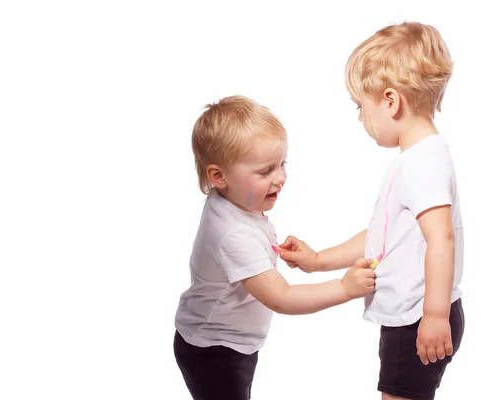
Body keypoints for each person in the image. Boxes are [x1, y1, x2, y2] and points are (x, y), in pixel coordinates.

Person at [279, 22, 465, 400]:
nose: (361, 118)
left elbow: (441, 239)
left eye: (361, 107)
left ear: (391, 101)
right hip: (417, 316)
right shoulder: (419, 158)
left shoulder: (420, 164)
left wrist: (434, 316)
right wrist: (318, 261)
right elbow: (380, 239)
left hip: (416, 319)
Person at [173, 95, 376, 400]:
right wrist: (344, 288)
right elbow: (281, 298)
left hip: (230, 343)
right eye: (265, 171)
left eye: (282, 164)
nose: (280, 177)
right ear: (218, 176)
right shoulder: (233, 235)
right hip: (214, 350)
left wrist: (278, 251)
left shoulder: (231, 202)